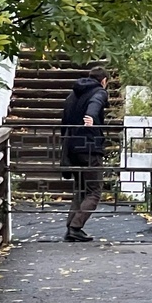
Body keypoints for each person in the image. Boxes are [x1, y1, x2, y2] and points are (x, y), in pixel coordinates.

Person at [60, 65, 108, 242]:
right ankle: (76, 227)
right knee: (94, 190)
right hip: (89, 147)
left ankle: (70, 228)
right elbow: (96, 103)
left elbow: (64, 119)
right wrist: (91, 117)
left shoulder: (73, 94)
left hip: (71, 146)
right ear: (104, 81)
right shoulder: (100, 91)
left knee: (80, 189)